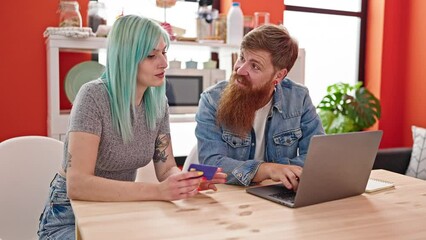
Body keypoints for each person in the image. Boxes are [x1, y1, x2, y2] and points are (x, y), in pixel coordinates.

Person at [38, 15, 227, 240]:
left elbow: (166, 169)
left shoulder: (158, 102)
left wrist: (186, 181)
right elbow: (78, 184)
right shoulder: (93, 97)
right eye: (151, 55)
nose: (164, 63)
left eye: (164, 52)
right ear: (126, 58)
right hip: (69, 217)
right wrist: (158, 192)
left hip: (120, 209)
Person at [195, 24, 324, 191]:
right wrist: (268, 170)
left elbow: (316, 157)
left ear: (278, 75)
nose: (240, 70)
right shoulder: (212, 100)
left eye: (254, 66)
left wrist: (281, 172)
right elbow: (211, 163)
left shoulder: (299, 98)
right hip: (230, 198)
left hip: (277, 193)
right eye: (241, 57)